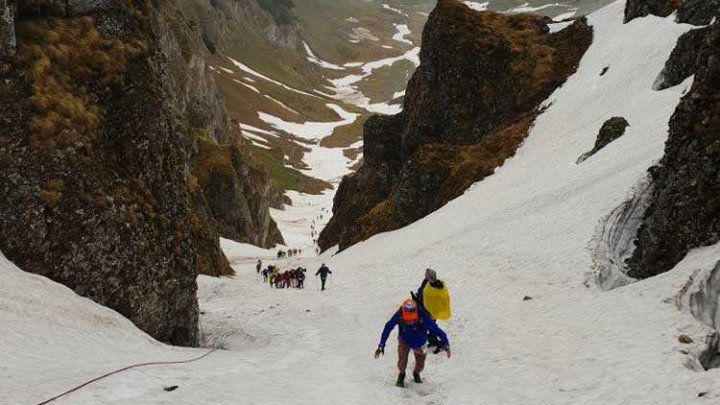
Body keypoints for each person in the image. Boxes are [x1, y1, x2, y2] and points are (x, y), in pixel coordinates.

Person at [374, 298, 450, 387]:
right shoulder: (400, 313)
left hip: (420, 344)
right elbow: (388, 327)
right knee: (401, 362)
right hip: (404, 341)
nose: (410, 322)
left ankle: (416, 373)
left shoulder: (423, 316)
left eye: (412, 319)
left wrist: (445, 343)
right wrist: (381, 345)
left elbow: (436, 329)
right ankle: (401, 374)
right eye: (407, 320)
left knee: (420, 365)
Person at [413, 268, 447, 353]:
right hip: (425, 310)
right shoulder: (426, 282)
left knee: (430, 327)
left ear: (429, 277)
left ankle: (439, 344)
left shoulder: (433, 286)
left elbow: (428, 298)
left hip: (431, 311)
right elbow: (422, 295)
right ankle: (433, 341)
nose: (424, 275)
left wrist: (417, 299)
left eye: (426, 274)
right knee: (430, 327)